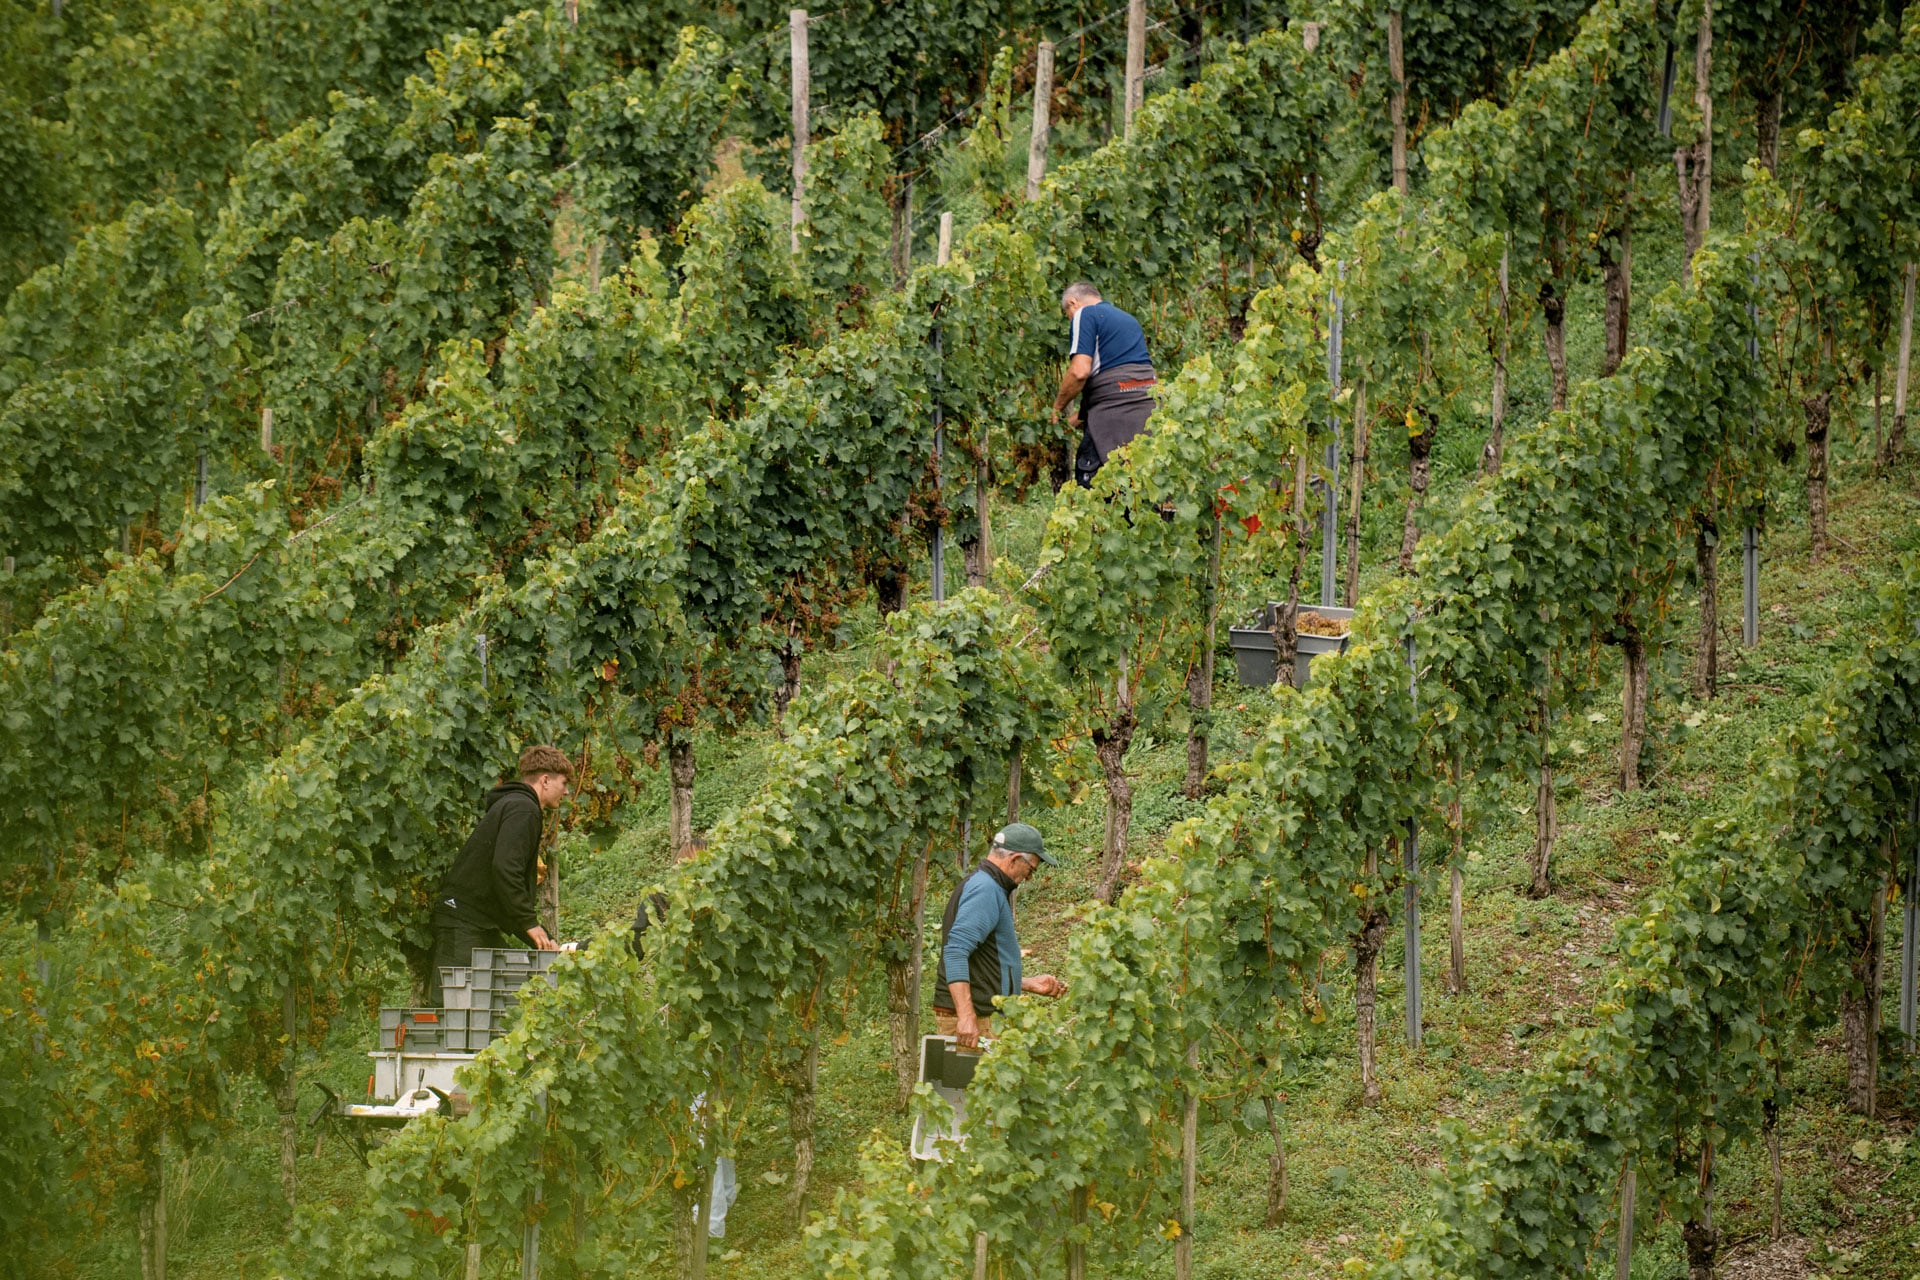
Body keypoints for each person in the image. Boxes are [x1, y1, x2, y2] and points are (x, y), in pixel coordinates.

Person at [429, 745, 570, 1004]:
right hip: (462, 921)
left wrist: (539, 937)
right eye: (563, 783)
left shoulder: (514, 805)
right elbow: (506, 869)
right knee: (453, 1011)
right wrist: (530, 923)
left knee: (490, 1003)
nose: (567, 791)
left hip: (478, 920)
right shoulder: (523, 809)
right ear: (545, 780)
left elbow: (502, 886)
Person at [932, 822, 1068, 1051]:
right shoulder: (985, 889)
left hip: (981, 1018)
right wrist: (966, 1016)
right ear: (1015, 858)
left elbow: (982, 963)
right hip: (977, 1021)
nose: (1030, 877)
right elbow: (955, 952)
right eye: (1031, 869)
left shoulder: (986, 885)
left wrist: (1025, 983)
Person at [1051, 282, 1157, 488]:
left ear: (1073, 303)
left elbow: (1079, 372)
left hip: (1113, 417)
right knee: (1140, 488)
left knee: (1095, 489)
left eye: (1068, 316)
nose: (1071, 321)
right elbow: (1115, 380)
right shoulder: (1129, 320)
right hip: (1147, 412)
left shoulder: (1085, 314)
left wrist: (1057, 408)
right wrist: (1069, 424)